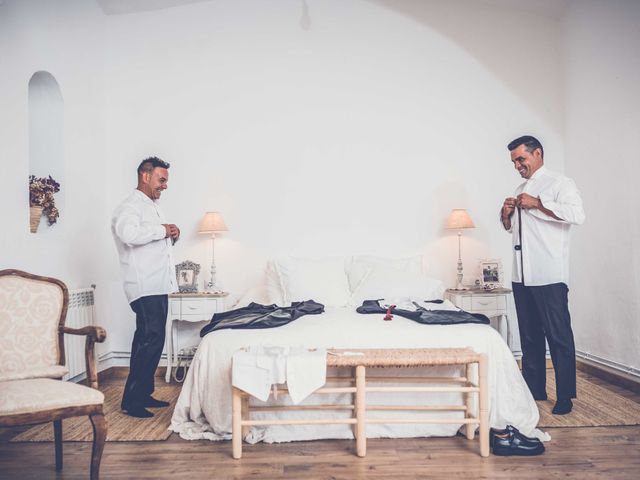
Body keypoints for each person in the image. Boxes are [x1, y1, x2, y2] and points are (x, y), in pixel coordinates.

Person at [500, 136, 585, 415]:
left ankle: (565, 396)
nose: (517, 165)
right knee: (530, 336)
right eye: (514, 161)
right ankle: (534, 388)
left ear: (537, 153)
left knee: (558, 336)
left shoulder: (560, 183)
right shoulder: (520, 188)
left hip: (549, 273)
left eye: (521, 159)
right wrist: (506, 215)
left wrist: (537, 203)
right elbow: (515, 229)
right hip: (522, 274)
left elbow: (576, 215)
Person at [112, 157, 180, 418]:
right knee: (149, 341)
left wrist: (171, 234)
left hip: (157, 284)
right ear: (145, 176)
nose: (164, 186)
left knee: (150, 339)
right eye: (161, 180)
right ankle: (131, 401)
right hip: (144, 285)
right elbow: (129, 235)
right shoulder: (130, 207)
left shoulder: (151, 207)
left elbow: (154, 242)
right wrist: (162, 230)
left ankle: (142, 393)